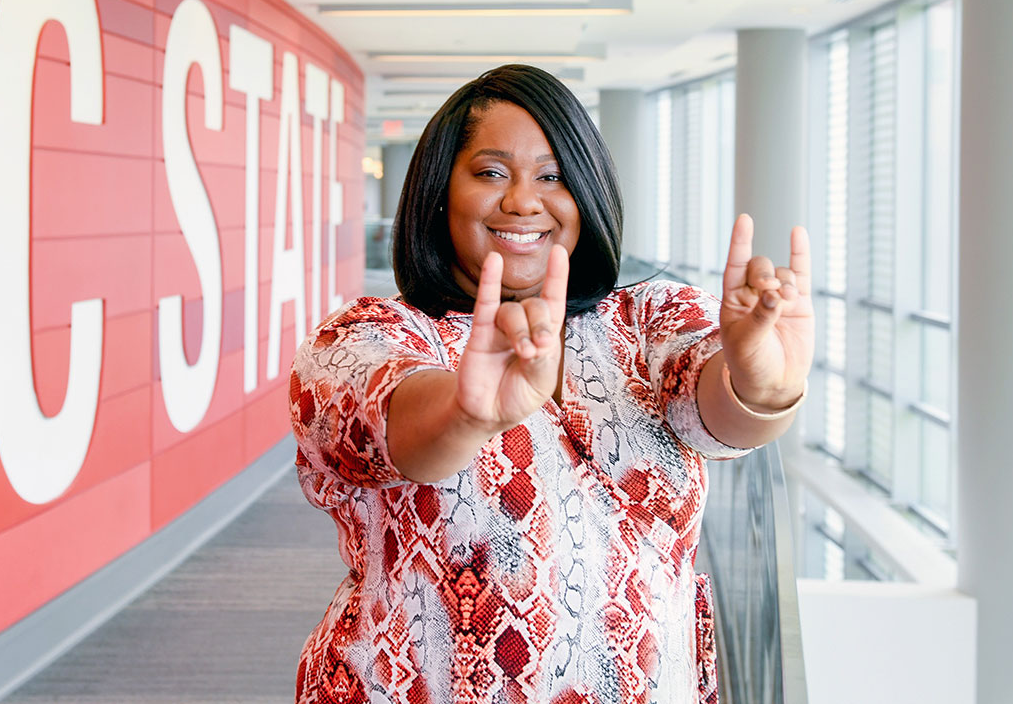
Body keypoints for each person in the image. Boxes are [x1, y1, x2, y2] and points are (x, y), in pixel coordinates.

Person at [289, 65, 813, 704]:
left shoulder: (648, 321)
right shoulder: (367, 337)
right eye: (490, 173)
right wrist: (465, 414)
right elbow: (392, 420)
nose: (522, 201)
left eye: (552, 176)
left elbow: (715, 411)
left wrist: (760, 386)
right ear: (438, 191)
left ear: (585, 193)